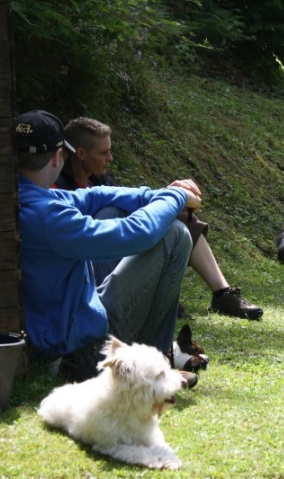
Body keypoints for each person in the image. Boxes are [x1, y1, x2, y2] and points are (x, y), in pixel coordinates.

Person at [15, 109, 200, 384]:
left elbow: (95, 196)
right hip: (79, 354)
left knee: (111, 209)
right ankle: (152, 368)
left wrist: (155, 194)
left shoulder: (23, 198)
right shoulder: (48, 218)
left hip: (59, 329)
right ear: (57, 157)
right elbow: (137, 233)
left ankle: (150, 364)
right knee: (175, 234)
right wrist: (175, 195)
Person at [55, 116, 263, 320]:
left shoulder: (98, 179)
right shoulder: (61, 190)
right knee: (112, 215)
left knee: (180, 218)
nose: (111, 158)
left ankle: (223, 294)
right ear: (81, 154)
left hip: (115, 249)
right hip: (89, 272)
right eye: (104, 153)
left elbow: (129, 200)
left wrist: (168, 196)